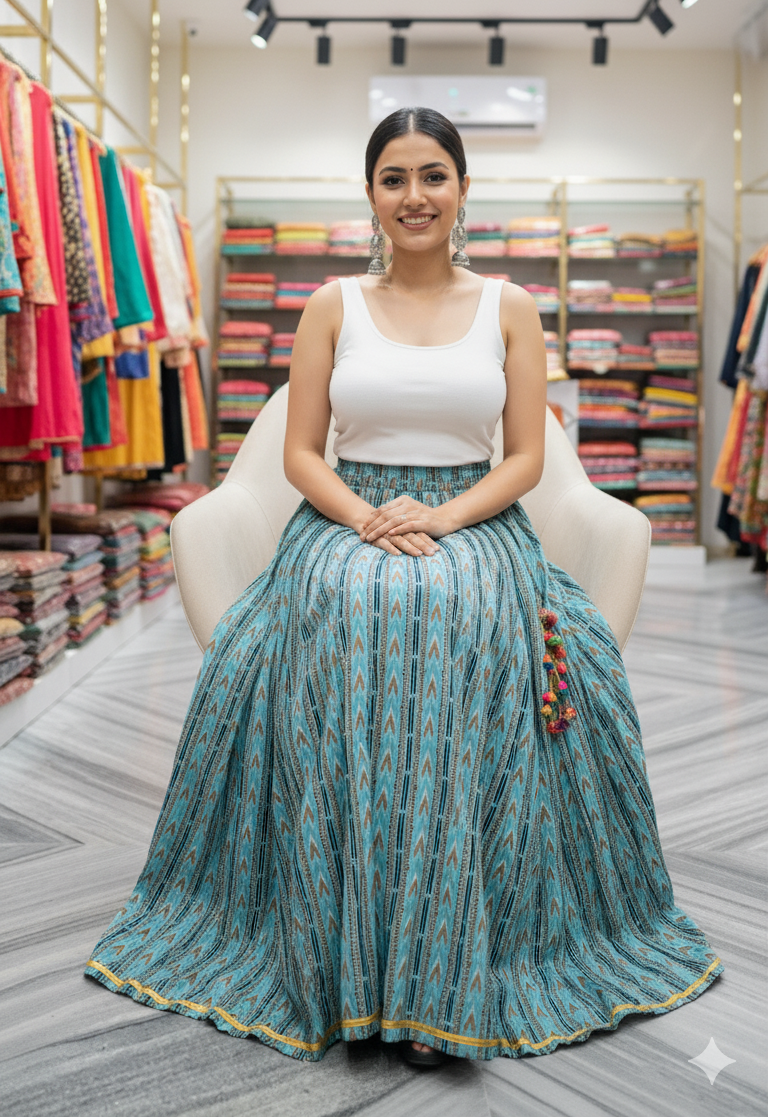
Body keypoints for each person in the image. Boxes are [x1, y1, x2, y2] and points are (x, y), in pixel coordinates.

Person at [86, 107, 722, 1067]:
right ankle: (347, 959)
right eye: (394, 178)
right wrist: (367, 517)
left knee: (452, 609)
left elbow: (524, 457)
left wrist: (446, 516)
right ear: (371, 194)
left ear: (463, 190)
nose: (414, 196)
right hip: (345, 513)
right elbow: (302, 454)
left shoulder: (509, 305)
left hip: (476, 515)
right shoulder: (330, 305)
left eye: (433, 176)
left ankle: (438, 971)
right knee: (357, 604)